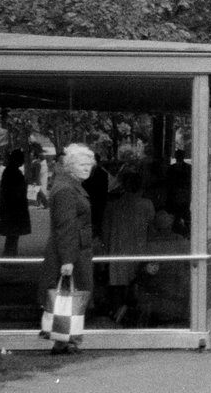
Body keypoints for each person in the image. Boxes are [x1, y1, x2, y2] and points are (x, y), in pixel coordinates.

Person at [37, 143, 97, 354]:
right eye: (82, 164)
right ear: (70, 165)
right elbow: (66, 227)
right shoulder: (66, 189)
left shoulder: (69, 185)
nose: (87, 168)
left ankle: (65, 340)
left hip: (76, 250)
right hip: (72, 252)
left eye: (89, 164)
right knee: (69, 297)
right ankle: (62, 341)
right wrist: (68, 260)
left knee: (71, 298)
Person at [102, 170, 155, 300]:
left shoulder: (113, 206)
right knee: (136, 280)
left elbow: (105, 232)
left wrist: (106, 253)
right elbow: (152, 228)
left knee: (120, 283)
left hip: (118, 251)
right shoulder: (147, 205)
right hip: (139, 249)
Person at [0, 148, 31, 257]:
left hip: (11, 209)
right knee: (13, 235)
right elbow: (15, 192)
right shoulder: (13, 172)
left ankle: (10, 256)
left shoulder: (9, 171)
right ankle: (10, 257)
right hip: (14, 210)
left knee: (12, 236)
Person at [83, 153, 110, 239]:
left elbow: (103, 190)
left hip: (97, 201)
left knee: (97, 221)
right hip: (90, 201)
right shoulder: (87, 172)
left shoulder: (102, 173)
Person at [167, 149, 192, 236]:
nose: (179, 158)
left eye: (180, 156)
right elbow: (169, 182)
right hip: (175, 195)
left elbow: (190, 181)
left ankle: (187, 231)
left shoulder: (188, 168)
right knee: (176, 214)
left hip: (184, 195)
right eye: (178, 156)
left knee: (185, 213)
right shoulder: (171, 168)